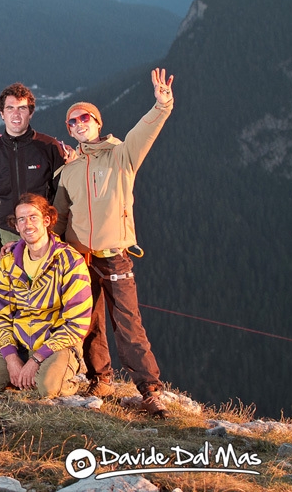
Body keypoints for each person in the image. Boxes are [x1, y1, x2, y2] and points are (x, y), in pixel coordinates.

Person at [53, 68, 175, 418]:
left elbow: (145, 131)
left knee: (128, 323)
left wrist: (162, 103)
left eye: (84, 118)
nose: (78, 123)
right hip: (80, 258)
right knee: (89, 321)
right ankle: (100, 378)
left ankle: (150, 390)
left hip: (116, 257)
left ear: (97, 121)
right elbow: (60, 217)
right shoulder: (68, 172)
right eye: (72, 121)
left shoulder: (122, 155)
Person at [0, 193, 92, 398]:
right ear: (16, 226)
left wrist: (37, 359)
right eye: (21, 219)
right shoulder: (9, 262)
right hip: (19, 344)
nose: (28, 224)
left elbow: (77, 323)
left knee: (47, 388)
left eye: (33, 217)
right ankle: (20, 375)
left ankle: (64, 376)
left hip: (56, 346)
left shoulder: (70, 261)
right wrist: (11, 358)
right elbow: (1, 313)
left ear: (47, 221)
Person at [0, 83, 69, 273]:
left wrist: (56, 235)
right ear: (2, 113)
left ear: (31, 113)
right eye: (10, 108)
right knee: (10, 297)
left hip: (44, 235)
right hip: (6, 237)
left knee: (47, 296)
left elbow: (61, 198)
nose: (16, 114)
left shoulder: (49, 148)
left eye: (22, 108)